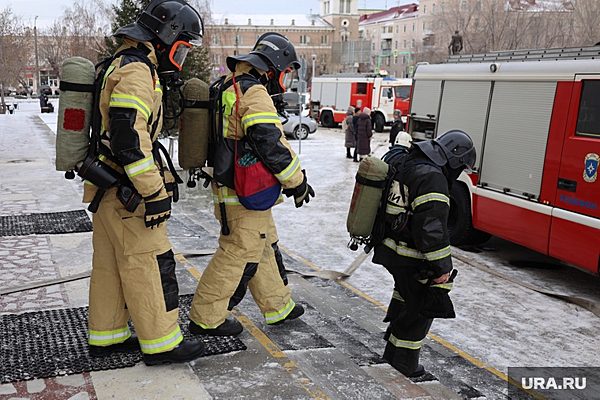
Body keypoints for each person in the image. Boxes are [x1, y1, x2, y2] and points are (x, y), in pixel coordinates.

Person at [84, 0, 205, 365]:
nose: (179, 60)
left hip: (107, 191)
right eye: (181, 49)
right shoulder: (138, 72)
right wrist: (153, 192)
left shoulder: (119, 63)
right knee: (151, 263)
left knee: (109, 266)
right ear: (165, 38)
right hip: (129, 195)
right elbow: (128, 137)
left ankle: (106, 334)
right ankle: (162, 342)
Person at [188, 32, 314, 336]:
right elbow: (270, 142)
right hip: (244, 191)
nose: (283, 81)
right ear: (272, 68)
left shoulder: (227, 85)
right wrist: (297, 182)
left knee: (264, 244)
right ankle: (206, 316)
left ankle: (278, 305)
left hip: (233, 185)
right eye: (284, 74)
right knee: (238, 252)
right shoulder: (253, 92)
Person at [372, 130, 476, 378]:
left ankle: (392, 352)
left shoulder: (408, 160)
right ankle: (404, 363)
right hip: (409, 255)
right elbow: (432, 229)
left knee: (406, 296)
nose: (458, 173)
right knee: (421, 309)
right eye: (460, 166)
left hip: (390, 248)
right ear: (454, 158)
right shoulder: (432, 177)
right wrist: (443, 268)